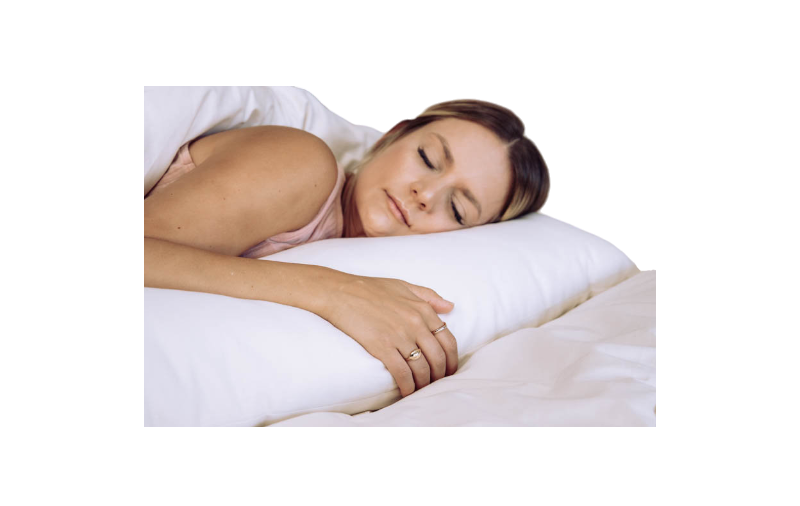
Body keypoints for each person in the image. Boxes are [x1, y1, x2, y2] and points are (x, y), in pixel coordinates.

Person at [144, 98, 550, 398]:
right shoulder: (302, 163)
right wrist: (330, 291)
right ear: (389, 138)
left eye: (458, 209)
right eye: (427, 157)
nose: (424, 194)